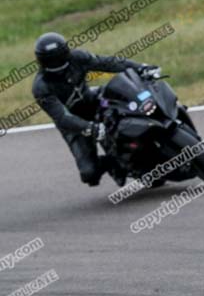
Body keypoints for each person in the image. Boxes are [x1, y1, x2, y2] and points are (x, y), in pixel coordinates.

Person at [31, 32, 159, 186]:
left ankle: (155, 129)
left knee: (127, 97)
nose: (56, 63)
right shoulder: (41, 87)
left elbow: (107, 63)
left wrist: (140, 68)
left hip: (93, 102)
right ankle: (115, 164)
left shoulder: (77, 58)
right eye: (51, 60)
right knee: (89, 173)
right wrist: (90, 128)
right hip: (73, 124)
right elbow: (62, 117)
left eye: (58, 57)